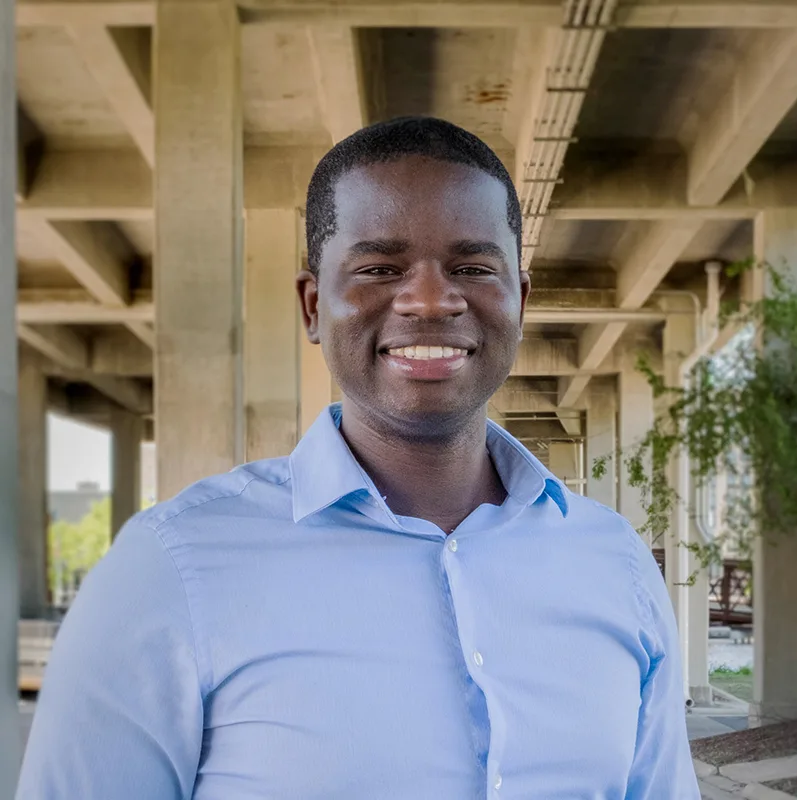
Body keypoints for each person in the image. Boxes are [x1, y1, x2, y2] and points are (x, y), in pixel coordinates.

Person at [17, 117, 699, 799]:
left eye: (472, 267)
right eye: (379, 268)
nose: (432, 298)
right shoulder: (171, 569)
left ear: (520, 301)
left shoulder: (616, 565)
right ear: (314, 306)